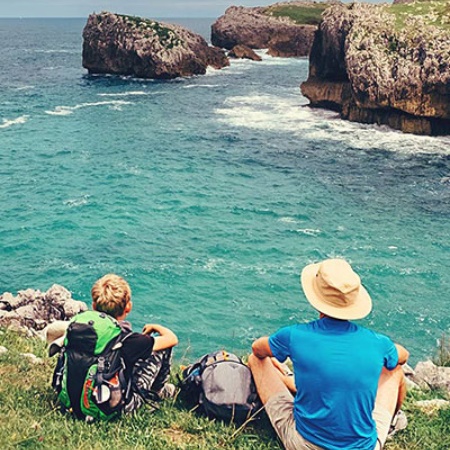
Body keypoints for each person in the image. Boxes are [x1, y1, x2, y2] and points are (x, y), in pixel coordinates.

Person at [248, 258, 409, 450]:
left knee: (255, 360)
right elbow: (403, 356)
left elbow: (257, 349)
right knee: (394, 370)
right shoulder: (378, 342)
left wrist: (277, 348)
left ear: (317, 300)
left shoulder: (294, 335)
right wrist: (388, 350)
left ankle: (288, 381)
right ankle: (391, 423)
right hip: (365, 447)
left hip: (305, 444)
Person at [47, 273, 178, 413]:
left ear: (94, 305)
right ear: (128, 307)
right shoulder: (128, 339)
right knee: (160, 349)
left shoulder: (78, 326)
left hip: (71, 400)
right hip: (113, 406)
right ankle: (158, 392)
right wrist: (156, 327)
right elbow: (172, 339)